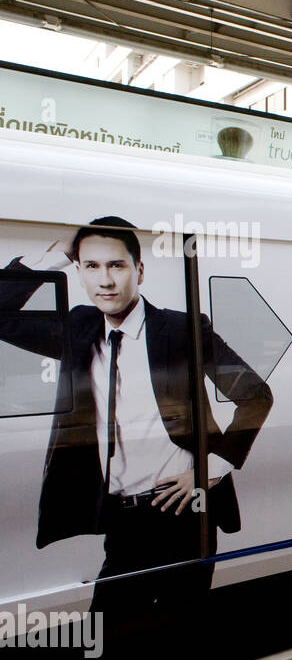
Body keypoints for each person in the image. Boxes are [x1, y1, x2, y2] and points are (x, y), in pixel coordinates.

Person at [0, 217, 273, 613]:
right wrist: (51, 259)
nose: (105, 280)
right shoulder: (79, 328)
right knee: (110, 630)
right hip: (122, 518)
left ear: (139, 270)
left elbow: (256, 396)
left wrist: (211, 467)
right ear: (78, 272)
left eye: (117, 265)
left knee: (181, 627)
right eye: (91, 266)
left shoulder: (181, 330)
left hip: (184, 510)